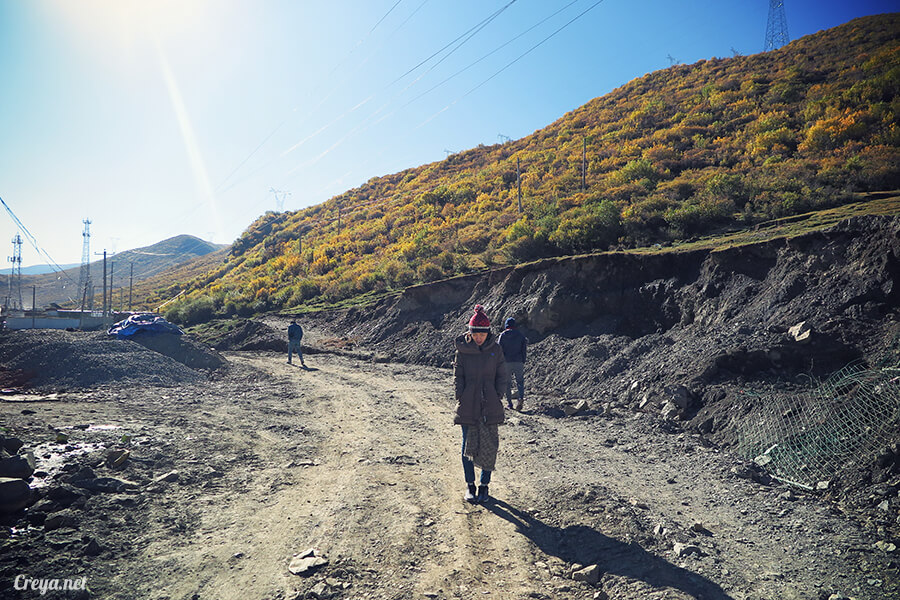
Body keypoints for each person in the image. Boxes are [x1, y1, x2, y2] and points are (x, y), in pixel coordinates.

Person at [453, 304, 508, 504]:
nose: (478, 338)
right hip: (468, 405)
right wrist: (461, 395)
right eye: (475, 334)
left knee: (490, 446)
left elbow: (502, 375)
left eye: (482, 334)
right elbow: (458, 375)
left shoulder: (496, 350)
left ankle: (484, 486)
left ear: (487, 333)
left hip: (490, 405)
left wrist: (497, 395)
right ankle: (470, 485)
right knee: (467, 447)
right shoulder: (463, 351)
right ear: (470, 332)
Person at [497, 317, 528, 411]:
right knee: (520, 382)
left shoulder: (503, 335)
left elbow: (499, 349)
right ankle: (520, 398)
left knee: (507, 383)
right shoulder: (521, 335)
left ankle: (510, 403)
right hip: (518, 361)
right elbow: (524, 349)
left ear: (506, 325)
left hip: (506, 362)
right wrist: (523, 360)